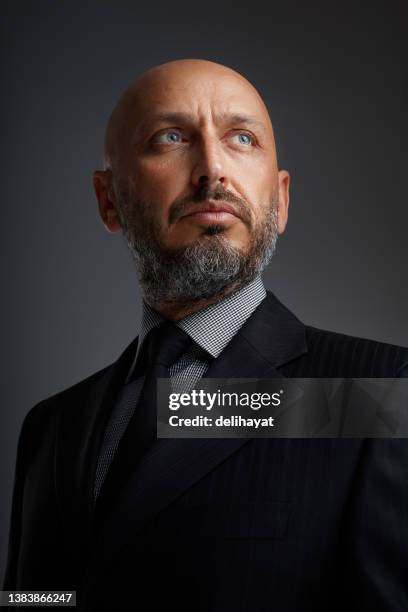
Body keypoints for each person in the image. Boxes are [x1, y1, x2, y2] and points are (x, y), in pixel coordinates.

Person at [4, 59, 408, 611]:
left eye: (242, 138)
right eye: (170, 138)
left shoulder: (378, 395)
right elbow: (37, 599)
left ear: (281, 199)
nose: (212, 169)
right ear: (108, 200)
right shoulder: (52, 429)